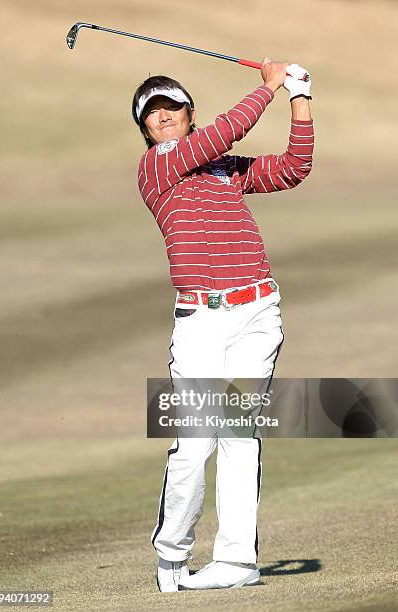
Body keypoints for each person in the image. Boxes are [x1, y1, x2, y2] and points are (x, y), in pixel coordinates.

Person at [132, 59, 314, 592]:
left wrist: (299, 100)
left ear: (189, 114)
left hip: (257, 313)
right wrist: (267, 88)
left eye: (172, 108)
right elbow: (225, 131)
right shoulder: (159, 167)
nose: (163, 117)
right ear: (145, 129)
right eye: (152, 113)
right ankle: (172, 555)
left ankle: (236, 562)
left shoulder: (224, 167)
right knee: (194, 441)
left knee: (240, 435)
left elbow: (292, 168)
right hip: (201, 322)